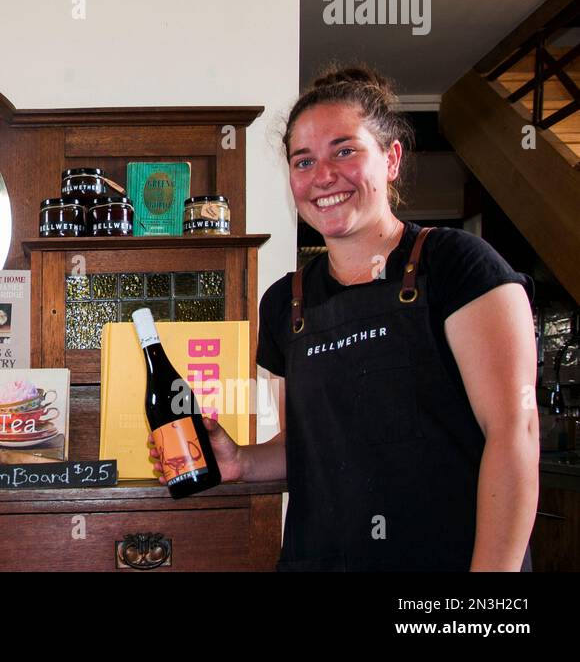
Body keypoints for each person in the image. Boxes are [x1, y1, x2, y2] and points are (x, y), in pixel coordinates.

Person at [148, 66, 538, 571]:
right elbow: (303, 448)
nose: (323, 175)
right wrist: (241, 462)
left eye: (345, 150)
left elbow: (515, 433)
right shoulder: (287, 301)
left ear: (391, 158)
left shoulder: (459, 265)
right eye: (303, 160)